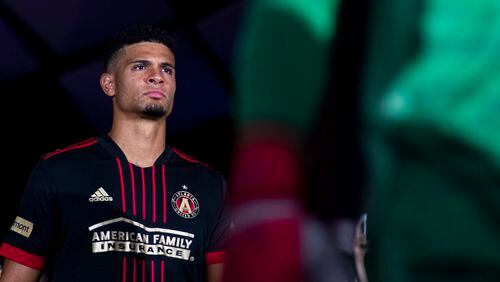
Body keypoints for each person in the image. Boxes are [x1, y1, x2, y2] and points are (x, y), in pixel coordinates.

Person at [0, 24, 229, 282]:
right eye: (140, 66)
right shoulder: (58, 172)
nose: (157, 76)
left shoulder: (209, 186)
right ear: (109, 84)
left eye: (167, 69)